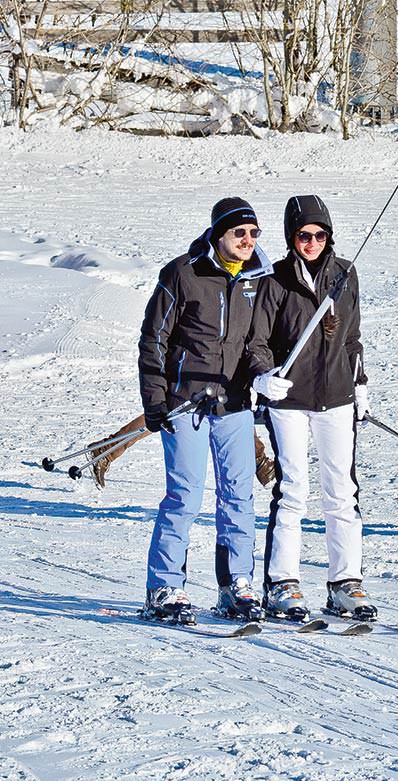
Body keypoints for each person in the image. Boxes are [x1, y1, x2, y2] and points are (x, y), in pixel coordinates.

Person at [138, 197, 273, 622]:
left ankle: (235, 585)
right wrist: (156, 400)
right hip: (186, 404)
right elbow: (154, 340)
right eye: (240, 233)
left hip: (233, 404)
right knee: (185, 496)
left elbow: (255, 343)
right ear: (219, 234)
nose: (248, 240)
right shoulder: (183, 272)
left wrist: (263, 376)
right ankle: (164, 588)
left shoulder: (258, 278)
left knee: (239, 497)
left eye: (254, 233)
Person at [247, 194, 376, 622]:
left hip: (337, 397)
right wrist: (264, 377)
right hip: (290, 401)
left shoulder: (345, 274)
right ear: (291, 237)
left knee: (342, 492)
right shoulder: (275, 280)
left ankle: (345, 583)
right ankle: (282, 583)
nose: (312, 242)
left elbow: (352, 337)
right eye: (304, 235)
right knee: (293, 491)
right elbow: (257, 342)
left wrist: (359, 383)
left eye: (320, 234)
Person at [87, 417, 275, 489]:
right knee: (166, 412)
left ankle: (261, 464)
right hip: (193, 361)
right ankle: (105, 451)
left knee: (235, 407)